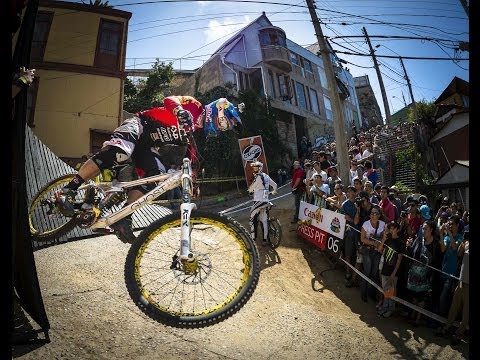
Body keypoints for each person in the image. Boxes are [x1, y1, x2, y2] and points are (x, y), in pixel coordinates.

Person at [54, 96, 243, 243]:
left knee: (156, 178)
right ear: (218, 110)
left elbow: (190, 157)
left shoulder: (196, 132)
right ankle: (68, 190)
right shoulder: (195, 106)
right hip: (139, 124)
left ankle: (124, 218)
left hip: (146, 146)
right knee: (120, 151)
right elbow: (169, 100)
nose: (221, 128)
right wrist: (179, 111)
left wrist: (192, 181)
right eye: (224, 123)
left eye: (225, 127)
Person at [248, 160, 277, 246]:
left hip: (258, 202)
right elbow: (275, 185)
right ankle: (265, 240)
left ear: (259, 168)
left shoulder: (258, 177)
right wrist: (273, 192)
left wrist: (250, 191)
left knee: (252, 220)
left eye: (256, 168)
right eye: (254, 168)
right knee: (264, 221)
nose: (254, 170)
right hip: (266, 201)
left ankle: (253, 239)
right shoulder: (267, 176)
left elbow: (251, 188)